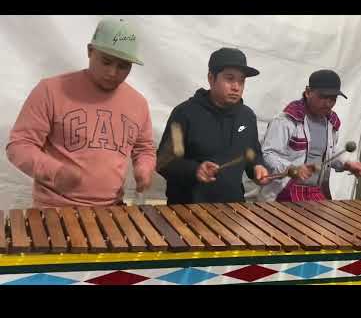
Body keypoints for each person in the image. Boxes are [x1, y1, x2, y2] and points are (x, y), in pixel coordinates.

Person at [6, 18, 156, 208]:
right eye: (106, 61)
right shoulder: (50, 90)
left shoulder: (138, 103)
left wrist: (144, 168)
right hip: (55, 208)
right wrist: (54, 171)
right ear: (89, 51)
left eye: (123, 66)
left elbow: (144, 149)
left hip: (112, 209)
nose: (112, 72)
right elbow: (19, 146)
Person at [156, 47, 270, 204]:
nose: (236, 87)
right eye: (229, 79)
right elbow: (164, 162)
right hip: (187, 210)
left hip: (232, 210)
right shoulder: (184, 113)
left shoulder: (247, 116)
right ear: (211, 78)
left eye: (241, 80)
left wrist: (258, 166)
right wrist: (195, 170)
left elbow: (253, 154)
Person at [259, 69, 361, 202]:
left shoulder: (331, 122)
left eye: (333, 99)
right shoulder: (286, 120)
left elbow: (330, 151)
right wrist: (291, 168)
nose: (328, 103)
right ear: (308, 92)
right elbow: (268, 153)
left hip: (315, 190)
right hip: (285, 190)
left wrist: (348, 163)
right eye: (323, 97)